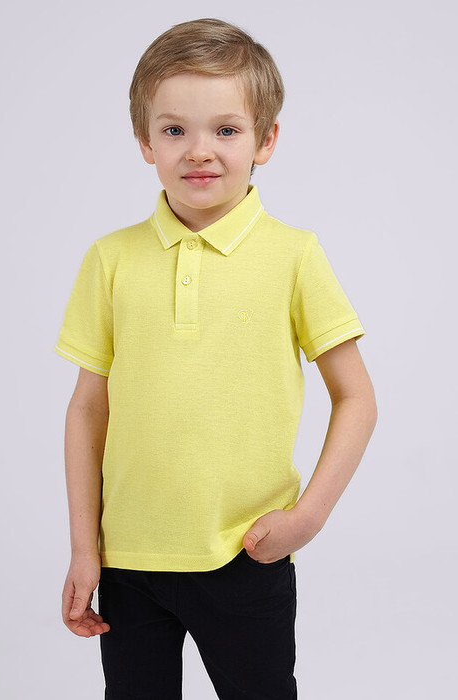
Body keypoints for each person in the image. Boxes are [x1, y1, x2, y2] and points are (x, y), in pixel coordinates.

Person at [54, 17, 377, 700]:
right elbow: (88, 410)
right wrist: (86, 549)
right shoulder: (110, 260)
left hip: (246, 554)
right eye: (175, 129)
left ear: (266, 139)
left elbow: (356, 397)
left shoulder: (294, 255)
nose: (199, 151)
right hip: (129, 560)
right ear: (145, 140)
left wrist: (307, 517)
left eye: (226, 130)